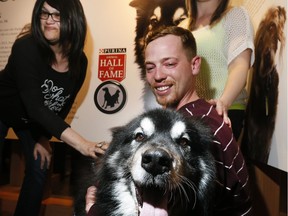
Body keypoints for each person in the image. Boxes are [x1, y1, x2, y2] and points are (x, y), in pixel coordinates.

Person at [86, 26, 252, 215]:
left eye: (169, 64)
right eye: (150, 67)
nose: (158, 76)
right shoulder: (186, 116)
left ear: (195, 65)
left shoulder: (208, 128)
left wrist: (93, 210)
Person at [0, 0, 108, 215]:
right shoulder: (26, 48)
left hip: (30, 120)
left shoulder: (79, 62)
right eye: (44, 13)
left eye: (57, 15)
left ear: (72, 20)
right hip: (3, 108)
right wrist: (84, 145)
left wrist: (43, 139)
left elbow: (62, 106)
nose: (49, 21)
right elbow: (36, 107)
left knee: (40, 165)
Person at [179, 0, 254, 140]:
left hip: (224, 111)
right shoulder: (181, 27)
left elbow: (239, 65)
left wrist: (223, 103)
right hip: (188, 114)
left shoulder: (235, 15)